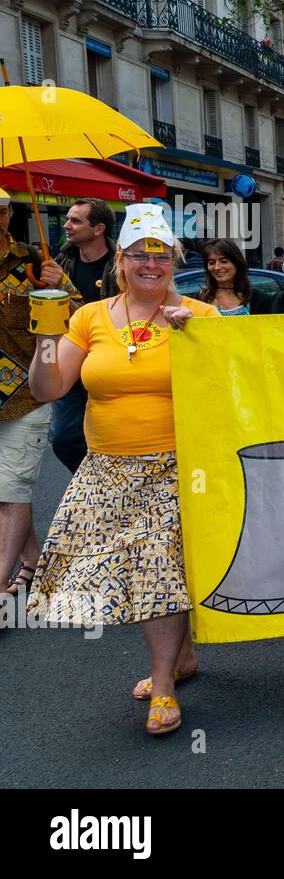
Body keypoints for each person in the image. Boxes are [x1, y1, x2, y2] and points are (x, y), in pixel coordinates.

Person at [25, 203, 219, 734]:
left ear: (175, 262)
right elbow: (48, 390)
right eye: (139, 255)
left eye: (161, 255)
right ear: (121, 260)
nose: (150, 265)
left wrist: (197, 341)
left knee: (156, 564)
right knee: (123, 574)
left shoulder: (201, 316)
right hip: (106, 469)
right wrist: (46, 331)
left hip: (180, 466)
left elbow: (231, 391)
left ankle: (162, 688)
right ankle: (181, 658)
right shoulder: (90, 317)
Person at [1, 188, 83, 597]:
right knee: (3, 489)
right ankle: (32, 560)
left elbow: (80, 315)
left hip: (25, 394)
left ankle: (1, 585)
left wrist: (60, 287)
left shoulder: (35, 261)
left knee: (11, 488)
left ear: (6, 217)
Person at [49, 198, 119, 474]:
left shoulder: (120, 265)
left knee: (109, 434)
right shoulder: (61, 261)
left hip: (106, 362)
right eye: (68, 218)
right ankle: (94, 481)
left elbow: (111, 319)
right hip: (68, 358)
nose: (66, 225)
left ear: (99, 228)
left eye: (76, 220)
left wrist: (62, 293)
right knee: (64, 438)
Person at [197, 238, 275, 315]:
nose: (217, 267)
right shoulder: (201, 299)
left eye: (224, 261)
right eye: (212, 262)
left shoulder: (259, 299)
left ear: (237, 263)